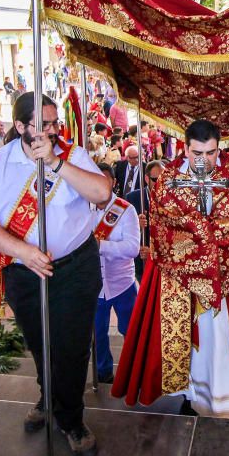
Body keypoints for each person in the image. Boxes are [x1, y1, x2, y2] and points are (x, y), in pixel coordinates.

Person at [0, 92, 110, 456]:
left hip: (76, 267)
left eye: (54, 123)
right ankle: (49, 395)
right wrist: (23, 252)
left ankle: (72, 420)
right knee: (41, 342)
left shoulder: (71, 154)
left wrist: (57, 164)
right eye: (41, 124)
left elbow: (101, 192)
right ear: (20, 126)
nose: (50, 130)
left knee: (72, 347)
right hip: (24, 271)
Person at [112, 119, 229, 418]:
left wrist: (212, 251)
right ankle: (191, 393)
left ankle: (222, 398)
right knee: (191, 342)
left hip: (227, 281)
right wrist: (204, 248)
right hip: (183, 282)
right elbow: (163, 232)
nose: (203, 161)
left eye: (210, 153)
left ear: (218, 148)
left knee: (222, 343)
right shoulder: (168, 180)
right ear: (185, 148)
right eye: (197, 153)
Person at [93, 164, 139, 384]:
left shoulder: (126, 209)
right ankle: (103, 372)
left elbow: (132, 248)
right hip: (93, 285)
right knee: (97, 334)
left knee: (130, 331)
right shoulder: (81, 208)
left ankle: (134, 370)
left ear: (113, 182)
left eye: (105, 179)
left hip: (122, 284)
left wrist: (99, 246)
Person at [126, 159, 165, 283]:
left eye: (164, 179)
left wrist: (153, 252)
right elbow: (125, 231)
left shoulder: (172, 200)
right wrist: (136, 226)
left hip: (163, 261)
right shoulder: (133, 198)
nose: (160, 183)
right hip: (141, 261)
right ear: (147, 179)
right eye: (155, 179)